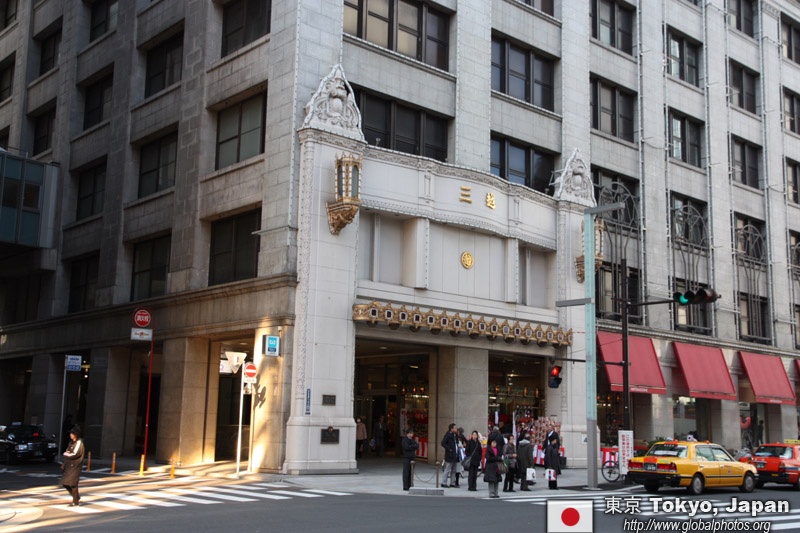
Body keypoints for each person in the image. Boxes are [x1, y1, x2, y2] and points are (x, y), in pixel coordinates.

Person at [60, 426, 85, 506]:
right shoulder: (71, 442)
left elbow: (75, 454)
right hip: (69, 466)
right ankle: (76, 497)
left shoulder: (79, 443)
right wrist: (67, 453)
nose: (71, 435)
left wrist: (67, 454)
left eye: (72, 433)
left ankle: (75, 501)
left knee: (73, 484)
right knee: (65, 483)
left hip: (75, 466)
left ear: (76, 434)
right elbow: (67, 451)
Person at [441, 423, 459, 488]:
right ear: (451, 429)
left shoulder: (455, 435)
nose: (456, 429)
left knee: (454, 470)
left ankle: (452, 482)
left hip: (455, 454)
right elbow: (443, 443)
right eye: (455, 428)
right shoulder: (448, 435)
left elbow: (456, 443)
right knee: (448, 469)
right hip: (450, 455)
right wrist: (449, 449)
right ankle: (444, 482)